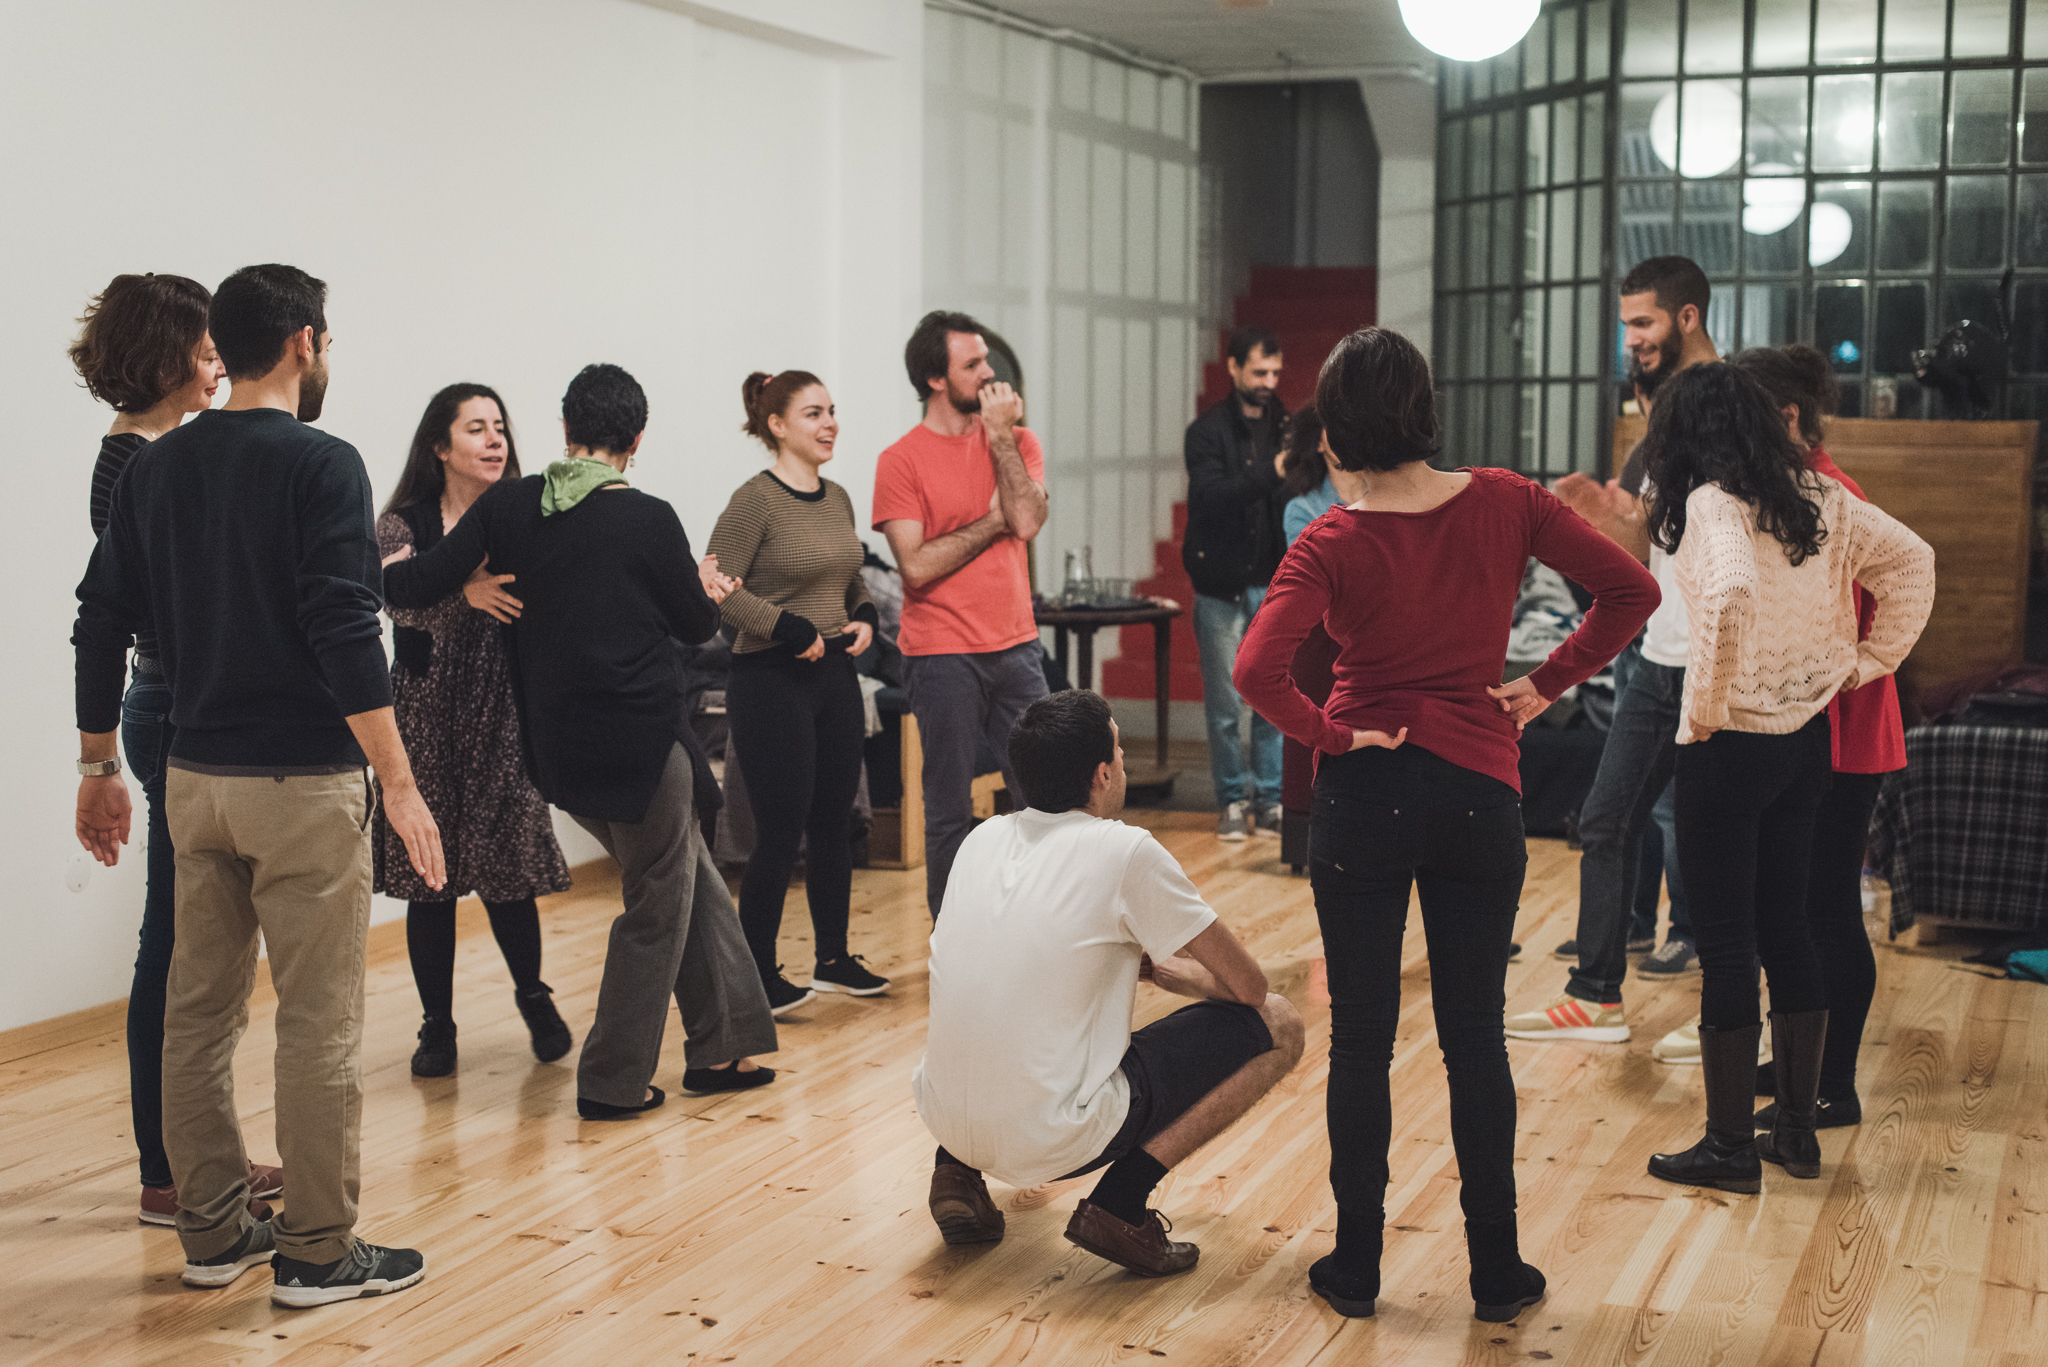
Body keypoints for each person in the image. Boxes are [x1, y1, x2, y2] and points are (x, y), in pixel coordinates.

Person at [1235, 327, 1658, 1321]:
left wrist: (1327, 733)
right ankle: (1496, 1272)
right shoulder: (1508, 499)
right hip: (1479, 791)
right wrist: (1543, 685)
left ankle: (1353, 1266)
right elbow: (1630, 590)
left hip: (1364, 795)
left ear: (1332, 433)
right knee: (1474, 1040)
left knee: (1361, 1046)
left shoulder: (1330, 538)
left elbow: (1254, 668)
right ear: (1424, 411)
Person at [74, 263, 442, 1305]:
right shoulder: (322, 463)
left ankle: (212, 1232)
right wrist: (400, 781)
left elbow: (100, 619)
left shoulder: (154, 468)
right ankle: (319, 1251)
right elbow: (340, 623)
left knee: (198, 1011)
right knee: (317, 1018)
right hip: (300, 781)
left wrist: (98, 762)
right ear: (304, 342)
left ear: (220, 348)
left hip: (194, 776)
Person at [384, 363, 779, 1120]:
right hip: (638, 746)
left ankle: (725, 1042)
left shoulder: (509, 505)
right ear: (635, 440)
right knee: (658, 903)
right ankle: (612, 1079)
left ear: (567, 431)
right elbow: (698, 628)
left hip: (554, 752)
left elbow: (408, 584)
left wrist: (434, 578)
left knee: (687, 870)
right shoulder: (649, 517)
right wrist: (702, 585)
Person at [1638, 363, 1932, 1194]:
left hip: (1729, 748)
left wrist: (1705, 703)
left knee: (1727, 944)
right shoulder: (1821, 499)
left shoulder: (1709, 503)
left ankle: (1729, 1147)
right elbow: (1915, 562)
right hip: (1808, 743)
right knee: (1789, 929)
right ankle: (1796, 1131)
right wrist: (1865, 665)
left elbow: (1727, 594)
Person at [912, 690, 1304, 1276]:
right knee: (1281, 1023)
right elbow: (1249, 988)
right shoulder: (1124, 849)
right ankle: (1120, 1206)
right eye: (1119, 753)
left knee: (996, 1011)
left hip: (941, 1115)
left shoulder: (980, 837)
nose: (1121, 764)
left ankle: (956, 1174)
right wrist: (1176, 978)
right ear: (1101, 774)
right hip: (1054, 1135)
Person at [67, 272, 283, 1229]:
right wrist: (98, 763)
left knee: (189, 938)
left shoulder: (163, 451)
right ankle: (170, 1167)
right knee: (177, 944)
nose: (215, 364)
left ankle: (192, 1153)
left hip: (181, 705)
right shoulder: (137, 463)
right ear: (163, 357)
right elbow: (116, 616)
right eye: (201, 349)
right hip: (172, 706)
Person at [1507, 255, 1719, 1046]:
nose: (1630, 339)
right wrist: (1596, 513)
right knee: (1603, 820)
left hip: (1714, 663)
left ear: (1686, 317)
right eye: (1626, 324)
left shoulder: (1725, 407)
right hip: (1656, 656)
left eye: (1643, 323)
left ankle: (1741, 1015)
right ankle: (1595, 994)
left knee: (1714, 834)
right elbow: (1651, 542)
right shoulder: (1661, 417)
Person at [1729, 345, 1910, 1135]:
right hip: (1814, 728)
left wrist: (1863, 666)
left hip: (1846, 732)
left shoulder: (1832, 494)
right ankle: (1803, 1057)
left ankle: (1834, 1080)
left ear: (1788, 417)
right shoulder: (1799, 491)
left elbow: (1887, 599)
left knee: (1826, 906)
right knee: (1794, 904)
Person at [375, 383, 573, 1078]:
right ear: (440, 446)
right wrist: (465, 593)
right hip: (425, 719)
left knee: (508, 869)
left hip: (504, 712)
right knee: (431, 879)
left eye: (500, 428)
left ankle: (534, 994)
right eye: (476, 428)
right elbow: (398, 600)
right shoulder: (401, 521)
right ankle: (437, 1025)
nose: (495, 440)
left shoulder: (525, 516)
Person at [708, 370, 888, 1013]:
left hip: (833, 678)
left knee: (835, 824)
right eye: (814, 413)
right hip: (770, 681)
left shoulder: (836, 497)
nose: (830, 422)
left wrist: (864, 614)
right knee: (780, 832)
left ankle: (834, 960)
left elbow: (850, 576)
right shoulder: (753, 501)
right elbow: (720, 590)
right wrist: (787, 629)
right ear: (777, 425)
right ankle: (756, 971)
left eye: (832, 410)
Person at [873, 311, 1049, 916]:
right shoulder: (900, 461)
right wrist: (993, 521)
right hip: (941, 653)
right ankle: (955, 943)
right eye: (972, 364)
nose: (989, 373)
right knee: (948, 810)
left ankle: (1035, 928)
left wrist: (1001, 439)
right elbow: (915, 568)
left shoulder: (1019, 442)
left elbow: (1026, 521)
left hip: (1017, 645)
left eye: (986, 360)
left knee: (1041, 802)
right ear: (935, 379)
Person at [1182, 325, 1289, 840]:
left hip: (1272, 577)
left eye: (1275, 372)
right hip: (1220, 582)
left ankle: (1270, 799)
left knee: (1271, 696)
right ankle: (1230, 800)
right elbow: (1212, 497)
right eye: (1259, 371)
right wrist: (1275, 471)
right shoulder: (1205, 433)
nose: (1269, 381)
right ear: (1233, 368)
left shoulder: (1287, 427)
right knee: (1225, 701)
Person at [1279, 406, 1366, 547]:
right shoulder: (1303, 510)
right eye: (1335, 427)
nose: (1347, 434)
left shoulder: (1387, 493)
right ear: (1319, 443)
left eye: (1352, 425)